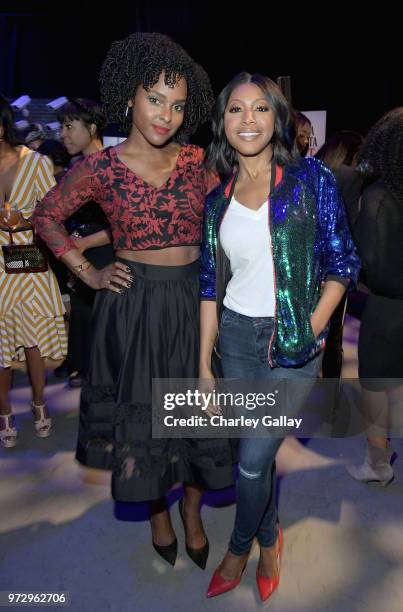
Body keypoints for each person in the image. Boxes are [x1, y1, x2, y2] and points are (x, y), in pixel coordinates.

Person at [32, 32, 236, 569]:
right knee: (145, 423)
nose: (166, 114)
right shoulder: (100, 167)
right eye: (155, 99)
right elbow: (46, 216)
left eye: (177, 104)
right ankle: (159, 515)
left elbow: (235, 218)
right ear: (129, 97)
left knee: (199, 420)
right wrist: (86, 274)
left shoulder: (199, 161)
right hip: (135, 307)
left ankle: (191, 513)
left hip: (196, 305)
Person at [199, 73, 359, 601]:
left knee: (249, 461)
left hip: (292, 346)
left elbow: (342, 262)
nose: (249, 119)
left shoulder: (311, 178)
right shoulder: (217, 198)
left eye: (260, 108)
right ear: (222, 122)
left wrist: (309, 328)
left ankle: (240, 547)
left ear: (278, 118)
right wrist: (204, 361)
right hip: (237, 340)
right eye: (236, 109)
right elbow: (208, 285)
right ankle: (270, 535)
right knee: (257, 456)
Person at [0, 95, 67, 448]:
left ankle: (39, 403)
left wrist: (22, 220)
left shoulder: (37, 164)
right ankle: (5, 412)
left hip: (27, 256)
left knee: (33, 339)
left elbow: (54, 214)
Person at [346, 108, 403, 485]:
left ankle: (378, 463)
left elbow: (375, 267)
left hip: (387, 312)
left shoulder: (380, 197)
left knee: (375, 388)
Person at [57, 98, 114, 388]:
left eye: (69, 126)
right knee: (83, 313)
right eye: (61, 127)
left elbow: (127, 225)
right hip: (85, 255)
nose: (63, 133)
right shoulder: (79, 166)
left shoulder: (111, 165)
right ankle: (84, 367)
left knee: (104, 320)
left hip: (108, 256)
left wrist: (85, 241)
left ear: (91, 128)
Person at [315, 130, 364, 379]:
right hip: (334, 269)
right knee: (332, 336)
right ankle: (330, 408)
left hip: (308, 266)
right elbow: (351, 228)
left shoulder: (312, 171)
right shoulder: (350, 177)